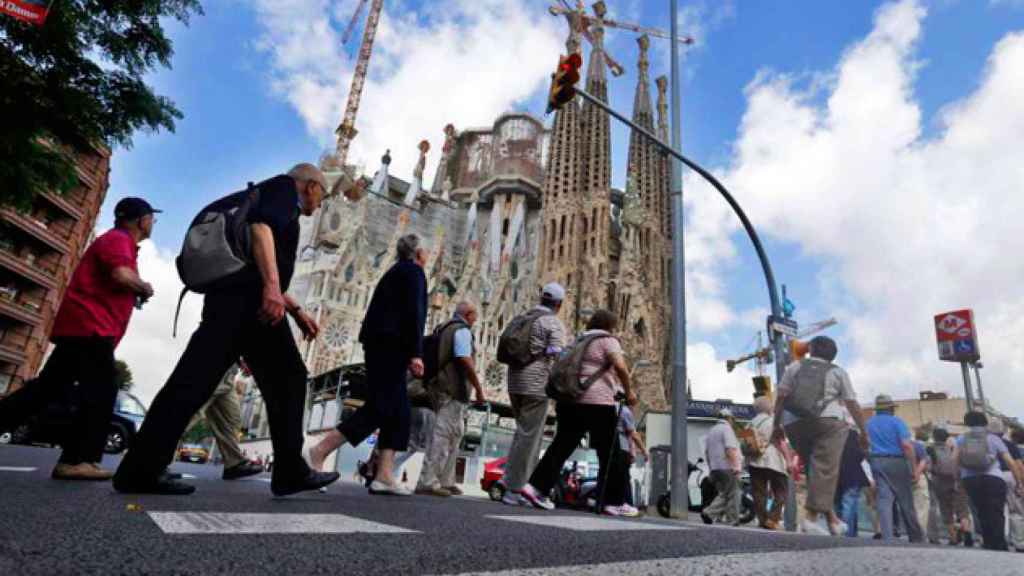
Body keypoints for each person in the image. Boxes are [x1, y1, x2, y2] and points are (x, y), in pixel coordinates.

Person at [114, 164, 339, 496]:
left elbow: (253, 257)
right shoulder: (281, 189)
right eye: (323, 194)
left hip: (234, 302)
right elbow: (260, 228)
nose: (321, 204)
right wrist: (273, 290)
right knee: (287, 379)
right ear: (310, 186)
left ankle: (140, 467)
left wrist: (294, 308)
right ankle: (290, 471)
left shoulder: (267, 194)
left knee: (193, 382)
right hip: (250, 307)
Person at [0, 198, 157, 480]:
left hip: (85, 328)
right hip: (91, 327)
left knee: (44, 390)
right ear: (140, 220)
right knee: (102, 391)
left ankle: (75, 457)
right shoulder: (118, 239)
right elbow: (121, 275)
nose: (153, 223)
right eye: (151, 218)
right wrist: (143, 287)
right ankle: (77, 459)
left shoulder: (121, 243)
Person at [308, 234, 428, 496]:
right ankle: (320, 449)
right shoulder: (414, 273)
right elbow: (415, 315)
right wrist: (416, 353)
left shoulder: (395, 271)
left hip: (380, 345)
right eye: (425, 252)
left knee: (399, 412)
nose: (427, 256)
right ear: (418, 254)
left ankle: (383, 475)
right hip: (391, 347)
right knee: (380, 407)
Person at [519, 310, 639, 517]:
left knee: (561, 447)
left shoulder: (578, 340)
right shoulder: (607, 340)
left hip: (570, 401)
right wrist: (629, 392)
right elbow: (619, 366)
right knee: (610, 453)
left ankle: (534, 488)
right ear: (610, 325)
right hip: (598, 404)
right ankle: (613, 502)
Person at [771, 336, 869, 535]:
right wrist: (863, 432)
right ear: (833, 355)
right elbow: (851, 403)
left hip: (794, 424)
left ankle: (833, 521)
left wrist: (776, 425)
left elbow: (781, 396)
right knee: (826, 469)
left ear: (811, 350)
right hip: (828, 422)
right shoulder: (838, 372)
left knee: (814, 469)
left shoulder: (795, 367)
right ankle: (810, 519)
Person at [501, 283, 566, 506]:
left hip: (515, 383)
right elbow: (557, 353)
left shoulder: (524, 316)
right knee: (529, 438)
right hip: (536, 385)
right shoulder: (552, 322)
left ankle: (513, 482)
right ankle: (514, 489)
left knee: (523, 434)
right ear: (559, 304)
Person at [416, 302, 485, 497]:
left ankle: (446, 479)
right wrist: (479, 388)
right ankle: (428, 481)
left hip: (449, 389)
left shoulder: (444, 327)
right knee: (442, 435)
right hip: (452, 389)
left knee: (456, 434)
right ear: (468, 314)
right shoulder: (461, 330)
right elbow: (464, 359)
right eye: (475, 315)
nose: (476, 320)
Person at [954, 411, 1024, 551]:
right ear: (984, 422)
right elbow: (1010, 461)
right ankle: (1000, 543)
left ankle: (988, 542)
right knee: (996, 511)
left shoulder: (961, 439)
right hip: (993, 478)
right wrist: (1019, 481)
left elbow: (954, 460)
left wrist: (958, 479)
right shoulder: (993, 438)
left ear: (967, 422)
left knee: (981, 511)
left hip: (970, 479)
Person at [183, 361, 263, 480]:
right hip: (215, 367)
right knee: (192, 414)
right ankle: (155, 458)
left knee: (232, 419)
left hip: (229, 375)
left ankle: (233, 463)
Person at [865, 394, 922, 542]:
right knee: (905, 500)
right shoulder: (897, 422)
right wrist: (914, 468)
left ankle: (887, 536)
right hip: (897, 462)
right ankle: (915, 536)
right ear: (891, 408)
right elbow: (907, 446)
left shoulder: (868, 423)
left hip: (876, 461)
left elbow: (864, 444)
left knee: (884, 499)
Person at [748, 396, 789, 530]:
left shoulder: (749, 424)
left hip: (754, 460)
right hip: (773, 460)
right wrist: (788, 460)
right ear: (769, 408)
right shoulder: (773, 422)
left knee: (759, 492)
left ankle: (763, 520)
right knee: (781, 490)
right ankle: (772, 519)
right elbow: (781, 442)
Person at [928, 426, 972, 546]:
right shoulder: (953, 448)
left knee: (946, 509)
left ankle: (953, 538)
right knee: (962, 508)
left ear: (934, 437)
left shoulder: (930, 450)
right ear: (947, 437)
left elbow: (929, 467)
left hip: (940, 482)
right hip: (957, 481)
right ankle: (967, 531)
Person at [702, 409, 743, 526]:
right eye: (732, 419)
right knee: (734, 492)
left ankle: (709, 513)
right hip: (726, 466)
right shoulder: (727, 429)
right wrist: (736, 466)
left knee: (724, 493)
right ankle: (732, 519)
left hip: (715, 468)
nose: (733, 422)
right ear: (728, 418)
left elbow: (706, 452)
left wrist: (710, 469)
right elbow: (730, 449)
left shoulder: (712, 430)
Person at [834, 422, 871, 537]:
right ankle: (848, 534)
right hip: (851, 474)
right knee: (849, 505)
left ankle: (845, 532)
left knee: (839, 505)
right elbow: (859, 455)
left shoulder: (828, 435)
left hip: (834, 475)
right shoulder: (852, 434)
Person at [617, 402, 646, 507]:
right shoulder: (625, 411)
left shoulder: (613, 408)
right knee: (624, 479)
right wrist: (644, 451)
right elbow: (634, 434)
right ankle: (627, 505)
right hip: (622, 449)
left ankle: (615, 503)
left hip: (615, 448)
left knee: (618, 477)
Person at [911, 428, 933, 542]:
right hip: (919, 478)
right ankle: (920, 534)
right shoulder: (922, 447)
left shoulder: (910, 444)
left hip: (904, 478)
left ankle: (912, 532)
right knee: (922, 507)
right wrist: (917, 474)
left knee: (911, 507)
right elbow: (925, 463)